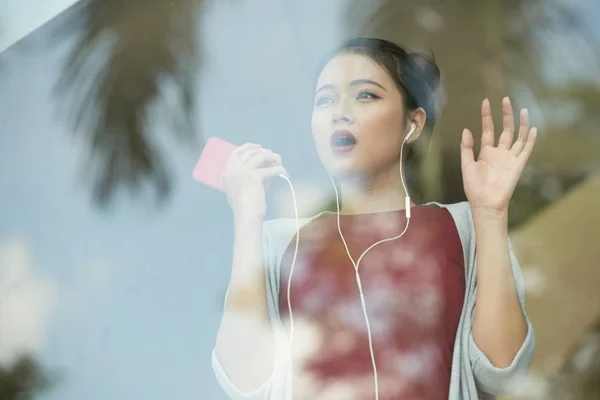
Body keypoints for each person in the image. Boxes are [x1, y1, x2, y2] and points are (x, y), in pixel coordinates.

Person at [211, 37, 536, 400]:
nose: (339, 112)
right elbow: (246, 382)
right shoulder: (281, 241)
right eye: (324, 99)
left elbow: (501, 369)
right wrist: (246, 217)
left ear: (412, 124)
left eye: (364, 95)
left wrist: (490, 215)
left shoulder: (462, 227)